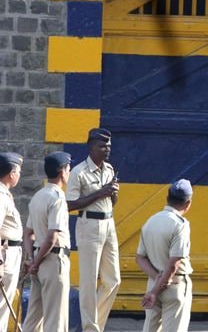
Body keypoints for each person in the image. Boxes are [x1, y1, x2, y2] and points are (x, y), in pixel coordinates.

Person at [66, 127, 121, 332]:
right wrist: (101, 192)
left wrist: (113, 193)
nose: (106, 149)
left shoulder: (109, 169)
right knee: (88, 281)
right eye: (101, 145)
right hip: (89, 225)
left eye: (108, 145)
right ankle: (91, 328)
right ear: (90, 147)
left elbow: (111, 202)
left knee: (113, 279)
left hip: (109, 224)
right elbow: (70, 205)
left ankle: (93, 323)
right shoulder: (78, 172)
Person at [22, 151, 72, 332]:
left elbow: (27, 233)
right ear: (61, 171)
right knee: (55, 318)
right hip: (53, 260)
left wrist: (31, 259)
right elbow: (52, 237)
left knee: (33, 317)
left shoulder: (38, 196)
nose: (69, 172)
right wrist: (36, 261)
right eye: (68, 168)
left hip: (38, 260)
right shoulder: (57, 198)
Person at [135, 179, 194, 332]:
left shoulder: (151, 221)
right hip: (174, 285)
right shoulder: (180, 225)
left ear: (167, 199)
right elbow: (174, 262)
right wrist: (158, 288)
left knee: (150, 328)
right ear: (188, 204)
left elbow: (140, 257)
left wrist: (156, 281)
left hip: (154, 282)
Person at [0, 152, 24, 332]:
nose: (20, 175)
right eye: (19, 171)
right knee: (1, 305)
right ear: (11, 173)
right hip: (5, 255)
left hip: (10, 253)